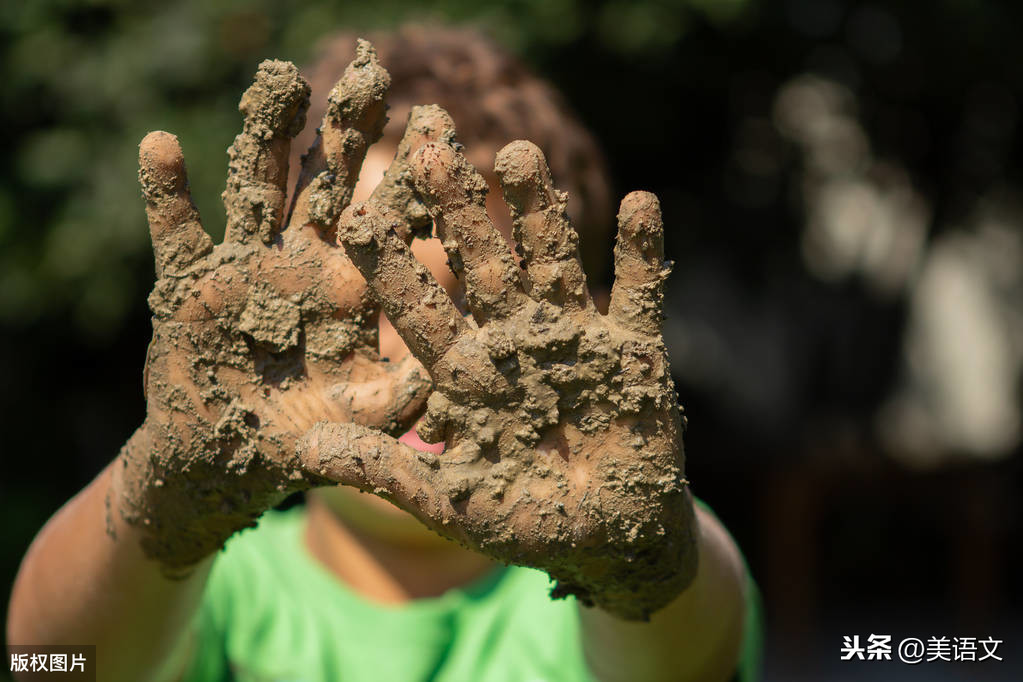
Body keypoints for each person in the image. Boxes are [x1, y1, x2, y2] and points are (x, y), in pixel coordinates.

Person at [7, 25, 761, 681]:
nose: (418, 349)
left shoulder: (602, 584)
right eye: (365, 298)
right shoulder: (211, 586)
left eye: (470, 302)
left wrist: (635, 565)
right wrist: (169, 497)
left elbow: (682, 656)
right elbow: (47, 662)